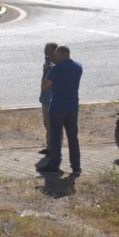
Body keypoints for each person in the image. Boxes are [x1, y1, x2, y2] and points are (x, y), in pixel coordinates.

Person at [38, 46, 83, 175]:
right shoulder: (78, 66)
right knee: (73, 137)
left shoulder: (57, 68)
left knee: (56, 137)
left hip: (57, 106)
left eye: (56, 55)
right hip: (73, 105)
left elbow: (45, 86)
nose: (55, 57)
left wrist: (47, 71)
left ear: (61, 55)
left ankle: (54, 164)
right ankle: (76, 165)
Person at [38, 42, 58, 155]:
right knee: (46, 122)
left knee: (52, 123)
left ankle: (53, 147)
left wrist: (47, 70)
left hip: (52, 97)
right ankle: (49, 145)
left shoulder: (57, 64)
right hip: (45, 96)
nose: (45, 50)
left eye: (47, 49)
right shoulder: (47, 61)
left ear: (54, 50)